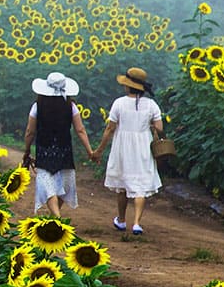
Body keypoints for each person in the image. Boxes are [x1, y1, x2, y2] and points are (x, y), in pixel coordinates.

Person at [90, 67, 165, 236]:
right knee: (140, 184)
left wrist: (99, 150)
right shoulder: (151, 104)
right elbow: (159, 127)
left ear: (127, 86)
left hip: (123, 146)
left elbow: (110, 128)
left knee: (123, 185)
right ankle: (137, 223)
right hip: (143, 145)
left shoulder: (119, 103)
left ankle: (122, 220)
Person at [22, 71, 94, 218]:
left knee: (47, 185)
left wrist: (27, 150)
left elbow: (30, 131)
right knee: (64, 186)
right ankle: (56, 216)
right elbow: (80, 130)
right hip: (64, 149)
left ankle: (56, 216)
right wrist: (89, 151)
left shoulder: (38, 106)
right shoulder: (71, 106)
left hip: (44, 148)